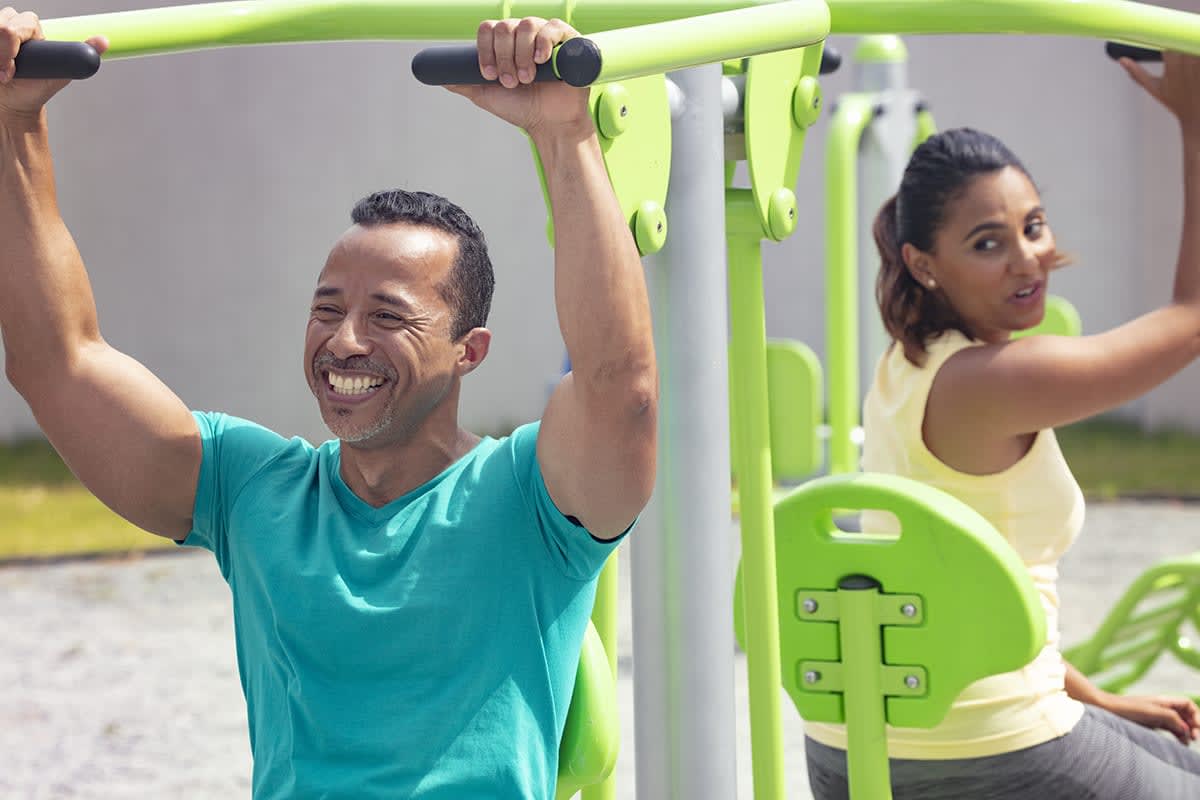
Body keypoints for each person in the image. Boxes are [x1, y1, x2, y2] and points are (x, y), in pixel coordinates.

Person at [0, 10, 656, 800]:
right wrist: (14, 121)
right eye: (326, 308)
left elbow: (621, 388)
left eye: (387, 315)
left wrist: (564, 134)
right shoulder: (251, 490)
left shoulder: (531, 501)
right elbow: (57, 364)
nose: (344, 340)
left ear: (467, 353)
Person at [804, 51, 1200, 799]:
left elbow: (977, 588)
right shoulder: (995, 381)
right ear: (925, 265)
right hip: (979, 750)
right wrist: (1195, 126)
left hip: (861, 739)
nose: (1029, 261)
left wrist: (1101, 701)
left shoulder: (909, 365)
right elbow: (1192, 320)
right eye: (988, 243)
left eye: (1034, 226)